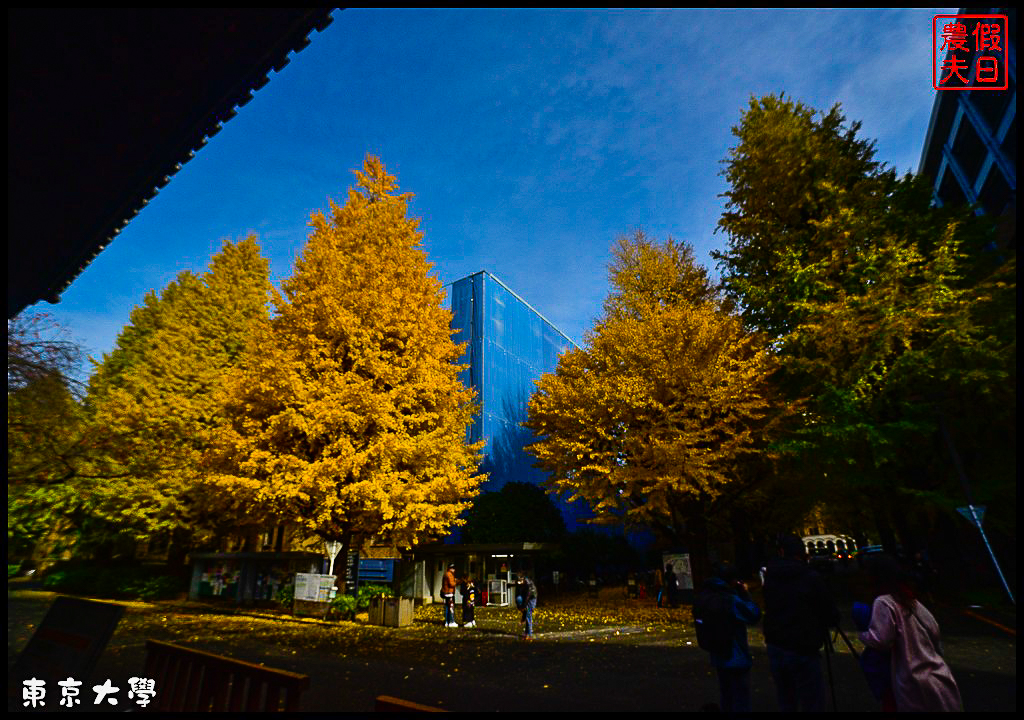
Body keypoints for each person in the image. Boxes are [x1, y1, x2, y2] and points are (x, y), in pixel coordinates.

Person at [859, 554, 962, 712]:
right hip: (937, 673)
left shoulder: (883, 602)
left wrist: (863, 635)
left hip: (911, 678)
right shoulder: (909, 600)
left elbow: (881, 640)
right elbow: (934, 629)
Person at [762, 535, 840, 712]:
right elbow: (829, 612)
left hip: (777, 643)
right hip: (803, 645)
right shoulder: (809, 576)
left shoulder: (771, 577)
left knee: (786, 698)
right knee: (812, 700)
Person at [695, 561, 762, 713]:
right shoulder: (730, 600)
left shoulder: (706, 596)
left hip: (717, 653)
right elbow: (753, 614)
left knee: (727, 696)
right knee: (740, 699)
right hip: (735, 654)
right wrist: (745, 594)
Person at [518, 572, 537, 639]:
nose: (519, 583)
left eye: (520, 581)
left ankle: (529, 634)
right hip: (525, 598)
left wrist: (523, 606)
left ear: (523, 579)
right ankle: (527, 631)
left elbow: (527, 597)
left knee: (528, 615)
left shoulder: (528, 584)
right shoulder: (520, 583)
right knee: (518, 599)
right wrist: (520, 607)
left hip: (531, 598)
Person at [441, 563, 457, 628]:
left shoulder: (446, 574)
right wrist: (456, 582)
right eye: (453, 568)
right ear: (451, 568)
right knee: (451, 608)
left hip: (446, 593)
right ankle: (451, 621)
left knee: (447, 608)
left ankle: (446, 622)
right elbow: (451, 584)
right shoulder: (449, 574)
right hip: (449, 593)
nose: (454, 570)